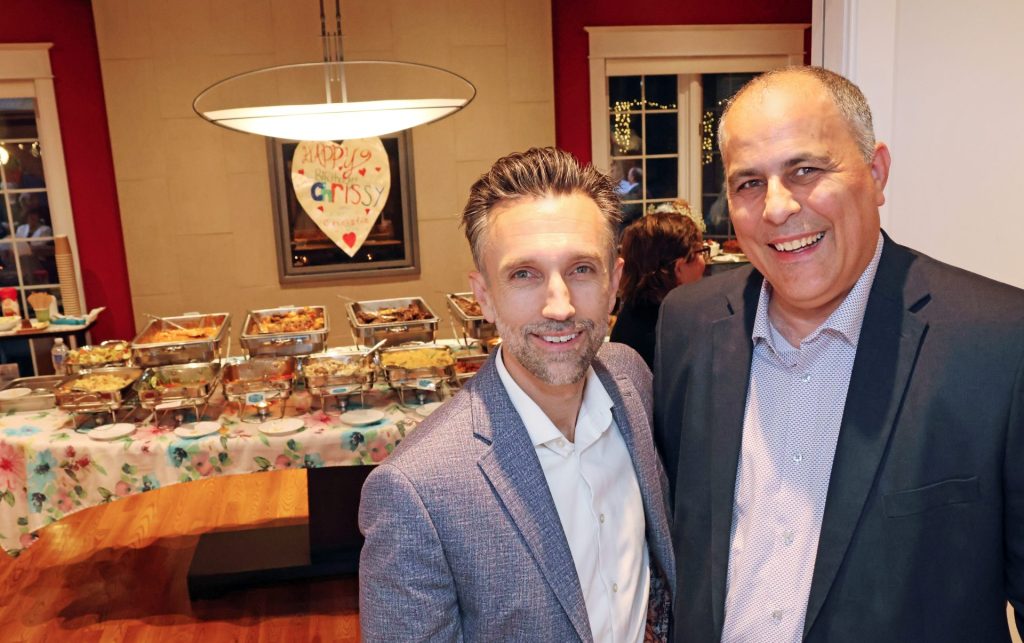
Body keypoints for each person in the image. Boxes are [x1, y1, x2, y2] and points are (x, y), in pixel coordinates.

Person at [654, 66, 1024, 642]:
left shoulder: (1000, 342)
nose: (777, 208)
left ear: (876, 173)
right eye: (749, 183)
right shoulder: (688, 324)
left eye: (805, 170)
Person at [359, 147, 674, 642]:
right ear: (484, 296)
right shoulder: (416, 492)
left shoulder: (630, 377)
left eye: (581, 269)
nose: (559, 307)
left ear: (614, 282)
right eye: (524, 274)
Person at [611, 201, 707, 368]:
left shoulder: (631, 315)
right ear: (679, 268)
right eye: (701, 252)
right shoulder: (674, 332)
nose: (705, 262)